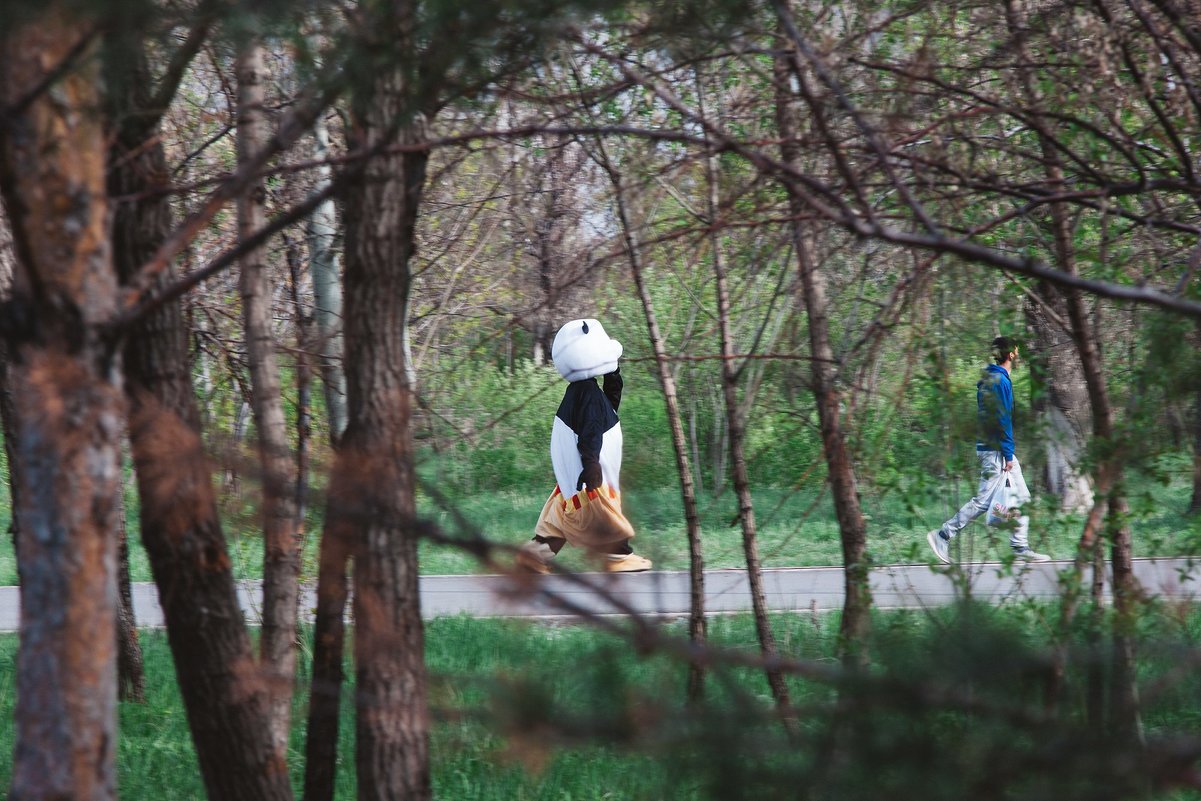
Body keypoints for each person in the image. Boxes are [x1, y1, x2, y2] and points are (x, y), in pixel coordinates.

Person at [516, 318, 652, 574]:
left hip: (572, 487)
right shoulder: (587, 396)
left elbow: (608, 409)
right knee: (605, 519)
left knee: (558, 520)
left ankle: (535, 555)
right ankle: (617, 556)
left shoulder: (581, 392)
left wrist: (613, 373)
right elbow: (591, 433)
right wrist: (592, 467)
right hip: (591, 484)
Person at [927, 336, 1050, 564]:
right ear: (1011, 353)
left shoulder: (989, 378)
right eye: (1017, 350)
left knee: (1022, 496)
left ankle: (1019, 546)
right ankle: (943, 534)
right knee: (983, 502)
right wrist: (1007, 453)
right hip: (996, 451)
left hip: (993, 448)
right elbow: (1001, 420)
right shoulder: (1000, 381)